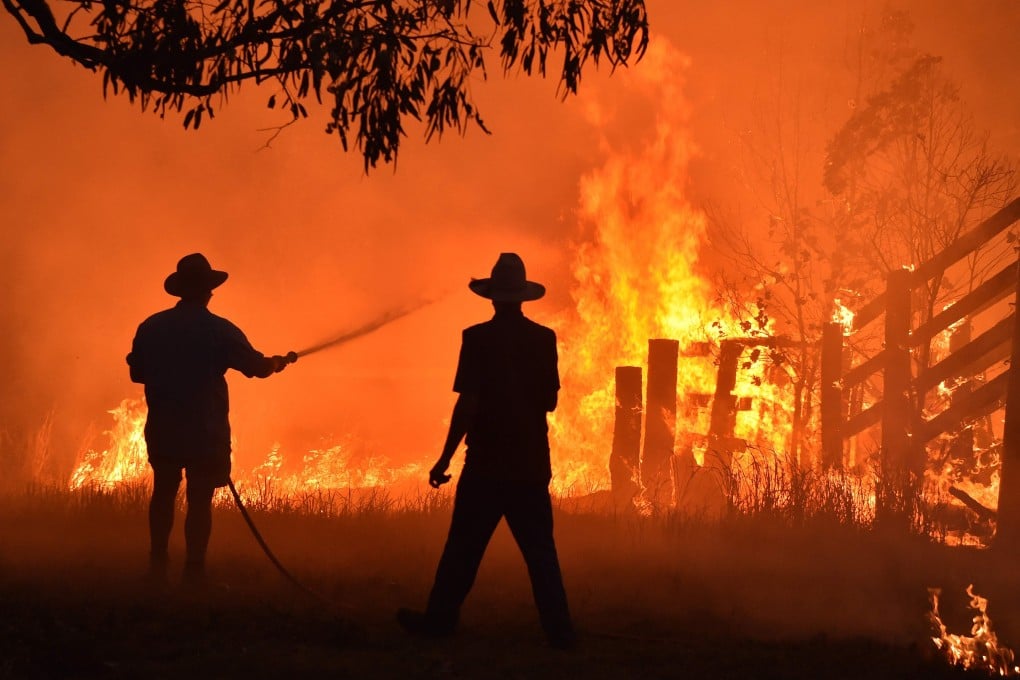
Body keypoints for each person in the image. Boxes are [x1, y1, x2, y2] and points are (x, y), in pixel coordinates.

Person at [398, 252, 576, 649]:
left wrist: (445, 458)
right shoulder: (543, 339)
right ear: (522, 298)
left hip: (486, 464)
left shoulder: (476, 338)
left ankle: (439, 621)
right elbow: (550, 401)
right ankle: (560, 633)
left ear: (493, 298)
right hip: (529, 464)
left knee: (462, 547)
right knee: (540, 553)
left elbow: (468, 404)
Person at [127, 253, 296, 584]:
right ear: (207, 292)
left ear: (180, 291)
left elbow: (137, 374)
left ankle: (157, 563)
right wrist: (276, 363)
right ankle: (193, 570)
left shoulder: (151, 327)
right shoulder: (219, 330)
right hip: (205, 430)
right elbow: (256, 368)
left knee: (163, 492)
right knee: (200, 499)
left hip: (164, 427)